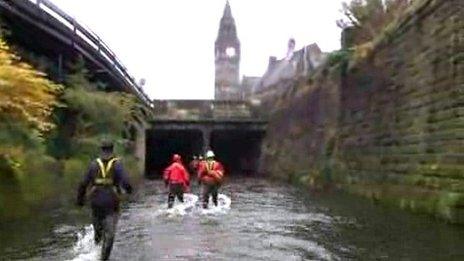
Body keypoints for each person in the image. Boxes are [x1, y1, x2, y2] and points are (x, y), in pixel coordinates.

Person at [76, 140, 132, 261]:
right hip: (111, 203)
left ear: (101, 150)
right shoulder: (117, 164)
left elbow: (82, 184)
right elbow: (126, 182)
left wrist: (80, 201)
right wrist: (128, 191)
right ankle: (103, 258)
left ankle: (94, 251)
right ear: (112, 150)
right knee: (110, 234)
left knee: (98, 231)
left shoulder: (93, 164)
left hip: (95, 202)